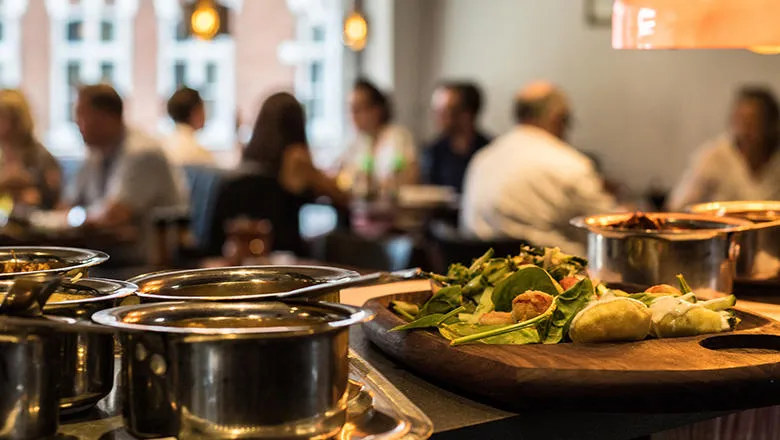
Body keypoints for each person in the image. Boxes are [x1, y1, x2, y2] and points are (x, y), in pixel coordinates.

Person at [460, 81, 616, 255]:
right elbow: (610, 228)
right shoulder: (569, 164)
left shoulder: (482, 158)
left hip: (482, 273)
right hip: (550, 274)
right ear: (557, 117)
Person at [206, 92, 348, 256]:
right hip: (286, 254)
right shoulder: (295, 158)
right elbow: (338, 195)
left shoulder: (249, 159)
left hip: (241, 251)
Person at [66, 84, 184, 263]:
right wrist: (80, 216)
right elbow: (67, 203)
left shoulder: (143, 153)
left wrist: (77, 217)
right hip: (112, 253)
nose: (76, 122)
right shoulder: (97, 152)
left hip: (146, 262)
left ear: (106, 117)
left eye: (82, 115)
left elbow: (114, 215)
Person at [667, 87, 780, 210]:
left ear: (771, 124)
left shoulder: (776, 160)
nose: (746, 130)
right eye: (742, 120)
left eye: (754, 121)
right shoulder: (713, 157)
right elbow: (678, 206)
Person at [339, 78, 418, 199]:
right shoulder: (357, 142)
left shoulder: (398, 137)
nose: (352, 116)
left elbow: (407, 179)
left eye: (358, 109)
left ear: (377, 110)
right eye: (350, 110)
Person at [422, 81, 491, 192]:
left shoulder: (490, 151)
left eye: (445, 111)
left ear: (467, 114)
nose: (438, 118)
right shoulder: (433, 151)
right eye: (436, 111)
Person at [0, 89, 61, 209]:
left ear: (18, 121)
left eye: (2, 117)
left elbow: (53, 200)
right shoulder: (2, 155)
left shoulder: (41, 158)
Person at [163, 87, 215, 167]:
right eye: (203, 108)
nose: (205, 114)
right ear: (194, 112)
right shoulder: (199, 154)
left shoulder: (164, 145)